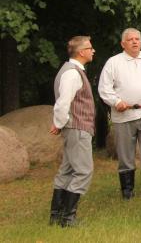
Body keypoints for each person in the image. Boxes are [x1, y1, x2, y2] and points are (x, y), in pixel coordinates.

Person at [98, 28, 141, 199]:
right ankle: (127, 191)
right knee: (126, 155)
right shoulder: (113, 62)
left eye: (137, 39)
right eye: (130, 39)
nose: (135, 42)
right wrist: (116, 102)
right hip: (124, 115)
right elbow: (104, 88)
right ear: (123, 43)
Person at [48, 36, 96, 227]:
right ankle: (68, 218)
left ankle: (56, 216)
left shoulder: (71, 70)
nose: (93, 51)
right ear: (81, 52)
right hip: (77, 127)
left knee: (67, 169)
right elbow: (62, 103)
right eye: (90, 48)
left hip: (74, 127)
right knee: (84, 170)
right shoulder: (72, 73)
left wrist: (60, 123)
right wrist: (59, 123)